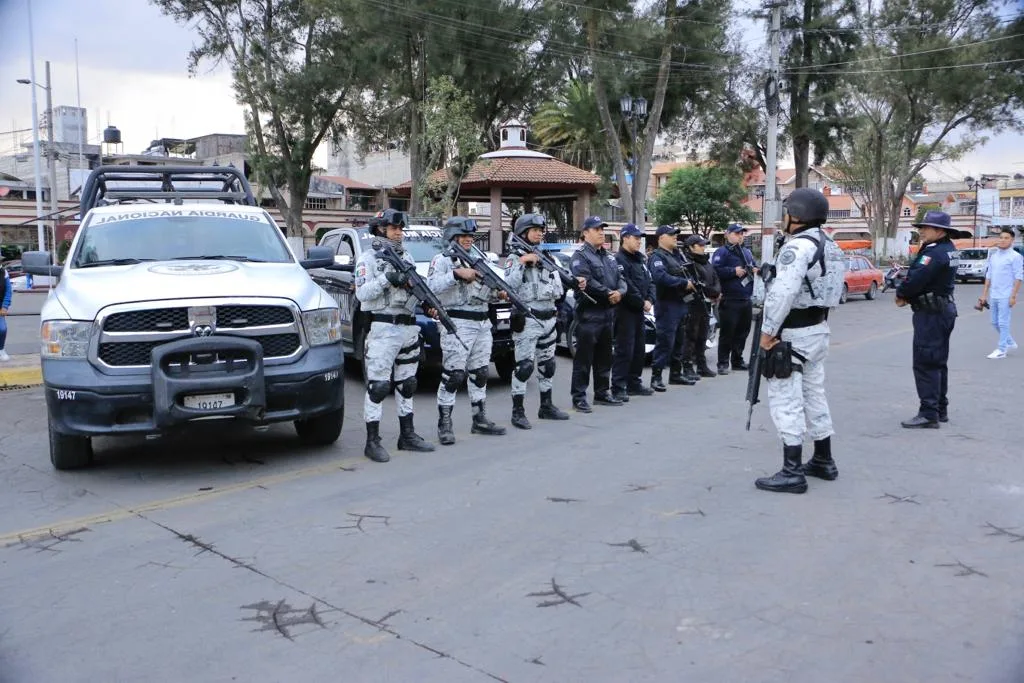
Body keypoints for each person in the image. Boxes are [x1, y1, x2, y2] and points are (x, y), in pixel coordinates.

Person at [754, 188, 844, 494]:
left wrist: (767, 333)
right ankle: (823, 459)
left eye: (787, 212)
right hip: (817, 329)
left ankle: (792, 471)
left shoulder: (798, 247)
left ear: (797, 215)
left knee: (785, 399)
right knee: (814, 395)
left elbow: (783, 293)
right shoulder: (830, 245)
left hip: (792, 334)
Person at [354, 209, 435, 462]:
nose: (398, 233)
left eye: (400, 229)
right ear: (380, 229)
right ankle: (372, 441)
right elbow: (362, 294)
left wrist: (425, 301)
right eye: (393, 228)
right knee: (378, 387)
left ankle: (407, 435)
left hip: (408, 326)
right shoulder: (368, 259)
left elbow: (414, 289)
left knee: (408, 384)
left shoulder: (407, 256)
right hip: (383, 327)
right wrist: (387, 279)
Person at [427, 216, 507, 444]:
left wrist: (498, 293)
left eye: (471, 236)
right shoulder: (442, 260)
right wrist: (455, 275)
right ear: (452, 237)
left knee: (481, 372)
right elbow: (431, 287)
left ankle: (479, 418)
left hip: (482, 321)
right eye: (463, 236)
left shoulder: (478, 260)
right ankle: (444, 423)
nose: (468, 240)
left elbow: (487, 292)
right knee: (453, 375)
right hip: (457, 323)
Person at [895, 210, 966, 428]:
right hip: (943, 310)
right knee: (938, 362)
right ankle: (939, 408)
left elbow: (916, 279)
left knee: (926, 362)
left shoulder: (933, 253)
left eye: (925, 228)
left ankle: (929, 413)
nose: (922, 232)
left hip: (931, 313)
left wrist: (902, 293)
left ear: (940, 230)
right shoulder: (949, 249)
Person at [504, 213, 573, 429]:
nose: (539, 233)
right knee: (524, 366)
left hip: (548, 317)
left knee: (548, 364)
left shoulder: (547, 258)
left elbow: (559, 289)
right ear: (523, 233)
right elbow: (509, 285)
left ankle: (546, 406)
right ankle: (518, 411)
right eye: (534, 230)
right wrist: (523, 262)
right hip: (528, 317)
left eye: (541, 230)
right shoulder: (514, 258)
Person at [569, 216, 627, 412]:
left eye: (602, 229)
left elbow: (621, 278)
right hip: (589, 314)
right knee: (584, 358)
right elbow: (586, 280)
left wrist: (620, 292)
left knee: (605, 357)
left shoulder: (609, 256)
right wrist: (608, 293)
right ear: (585, 233)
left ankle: (602, 393)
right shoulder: (581, 256)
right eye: (596, 229)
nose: (601, 232)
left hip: (608, 313)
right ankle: (579, 397)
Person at [648, 225, 696, 391]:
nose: (675, 237)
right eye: (671, 235)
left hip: (681, 302)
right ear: (661, 238)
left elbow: (688, 272)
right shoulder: (657, 257)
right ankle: (656, 377)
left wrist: (692, 282)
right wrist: (684, 283)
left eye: (676, 234)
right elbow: (660, 277)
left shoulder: (677, 256)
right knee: (665, 342)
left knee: (679, 341)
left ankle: (676, 374)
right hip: (666, 304)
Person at [611, 223, 656, 401]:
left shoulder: (640, 259)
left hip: (640, 310)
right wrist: (641, 302)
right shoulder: (619, 260)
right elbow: (627, 285)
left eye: (640, 239)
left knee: (639, 348)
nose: (639, 242)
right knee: (624, 349)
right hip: (625, 311)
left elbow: (650, 281)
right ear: (625, 238)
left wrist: (650, 300)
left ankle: (634, 383)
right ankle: (618, 386)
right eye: (636, 238)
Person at [712, 224, 756, 375]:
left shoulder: (746, 252)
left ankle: (737, 360)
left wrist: (756, 270)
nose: (740, 236)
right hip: (730, 298)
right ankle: (723, 363)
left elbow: (753, 266)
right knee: (727, 332)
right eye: (737, 234)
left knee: (743, 332)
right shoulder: (722, 252)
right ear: (727, 234)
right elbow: (715, 271)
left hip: (745, 297)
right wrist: (733, 271)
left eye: (742, 234)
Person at [978, 227, 1023, 359]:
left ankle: (1002, 349)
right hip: (994, 294)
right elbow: (989, 276)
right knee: (994, 322)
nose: (1003, 240)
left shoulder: (1015, 257)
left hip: (1006, 294)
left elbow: (1018, 277)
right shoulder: (994, 256)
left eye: (1006, 238)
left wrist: (1013, 296)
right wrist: (984, 294)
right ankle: (1009, 341)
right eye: (1001, 237)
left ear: (1012, 240)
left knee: (1003, 322)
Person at [681, 235, 721, 379]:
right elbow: (699, 283)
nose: (703, 247)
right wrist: (713, 292)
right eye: (700, 245)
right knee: (691, 336)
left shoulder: (706, 262)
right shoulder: (688, 263)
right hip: (694, 303)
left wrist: (717, 293)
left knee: (703, 336)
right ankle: (687, 366)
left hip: (707, 304)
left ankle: (701, 365)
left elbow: (715, 278)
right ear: (691, 247)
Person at [0, 262, 11, 362]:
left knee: (2, 329)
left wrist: (4, 306)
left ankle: (1, 349)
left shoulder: (4, 273)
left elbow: (8, 291)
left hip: (0, 306)